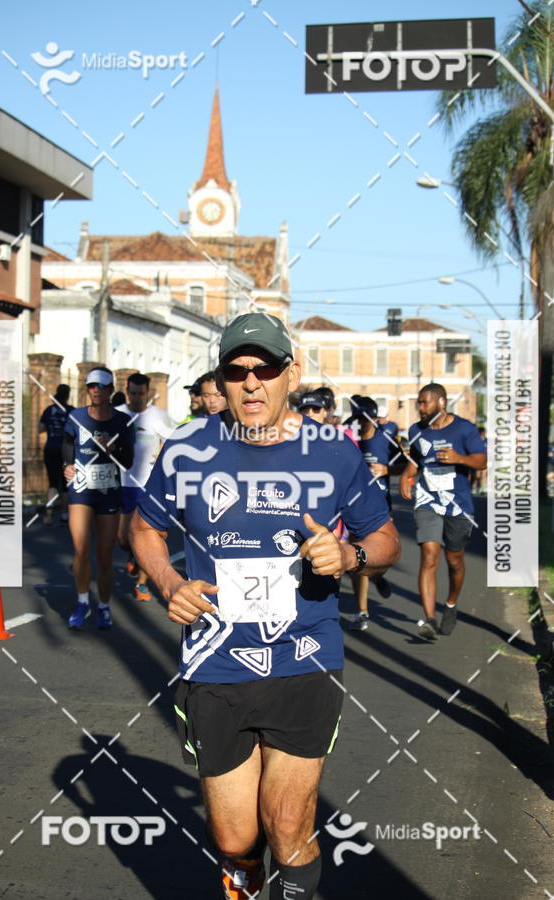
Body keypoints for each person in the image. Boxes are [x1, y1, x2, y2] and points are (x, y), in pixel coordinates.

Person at [130, 312, 400, 900]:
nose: (251, 383)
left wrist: (349, 557)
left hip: (305, 657)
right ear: (221, 380)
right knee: (233, 839)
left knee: (288, 826)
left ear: (291, 374)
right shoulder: (186, 448)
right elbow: (145, 529)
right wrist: (169, 582)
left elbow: (384, 541)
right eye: (236, 370)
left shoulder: (333, 452)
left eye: (266, 369)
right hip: (215, 664)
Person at [399, 383, 486, 641]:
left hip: (457, 504)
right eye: (419, 403)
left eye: (425, 403)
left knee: (454, 560)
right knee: (429, 555)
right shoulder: (417, 430)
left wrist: (459, 458)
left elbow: (481, 460)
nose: (421, 408)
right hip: (427, 499)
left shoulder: (464, 429)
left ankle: (450, 604)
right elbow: (415, 458)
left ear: (442, 403)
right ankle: (428, 620)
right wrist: (406, 475)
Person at [63, 366, 135, 630]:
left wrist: (114, 448)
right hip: (81, 490)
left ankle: (103, 606)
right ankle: (82, 602)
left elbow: (128, 462)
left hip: (108, 492)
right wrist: (66, 465)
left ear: (110, 390)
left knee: (104, 555)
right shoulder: (76, 416)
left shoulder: (122, 423)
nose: (95, 391)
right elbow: (67, 444)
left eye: (100, 386)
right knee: (80, 550)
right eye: (91, 386)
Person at [116, 373, 173, 602]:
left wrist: (163, 452)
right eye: (133, 393)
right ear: (127, 391)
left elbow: (177, 440)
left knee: (150, 535)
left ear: (147, 393)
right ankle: (132, 552)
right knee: (122, 539)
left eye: (141, 394)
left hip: (149, 485)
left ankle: (141, 584)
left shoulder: (158, 416)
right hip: (122, 483)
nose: (137, 398)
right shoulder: (118, 413)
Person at [343, 396, 392, 630]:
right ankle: (362, 610)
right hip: (356, 505)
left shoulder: (386, 438)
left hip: (381, 505)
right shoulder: (349, 441)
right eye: (357, 421)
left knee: (376, 554)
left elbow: (410, 463)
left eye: (365, 420)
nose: (361, 425)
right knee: (358, 553)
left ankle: (378, 574)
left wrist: (388, 468)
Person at [39, 384, 74, 525]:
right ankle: (65, 515)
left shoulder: (49, 410)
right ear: (68, 395)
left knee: (53, 483)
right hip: (67, 450)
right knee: (66, 483)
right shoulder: (72, 411)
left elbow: (40, 429)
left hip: (51, 448)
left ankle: (48, 514)